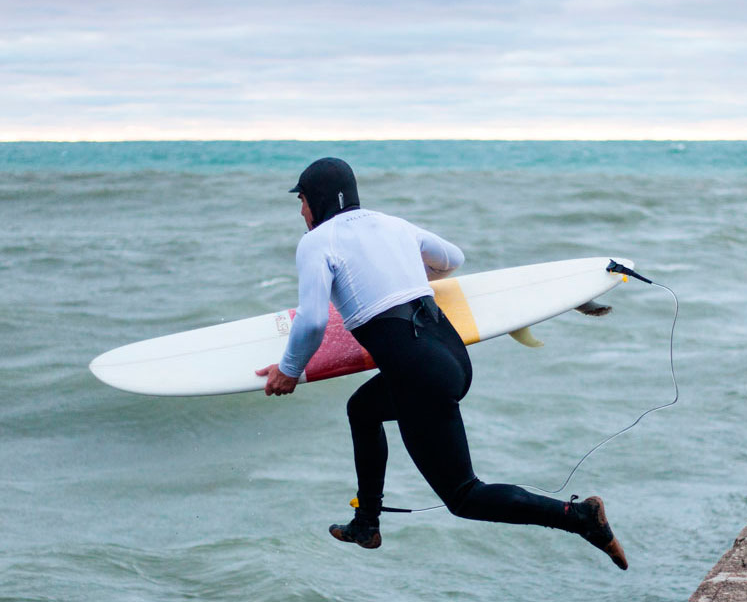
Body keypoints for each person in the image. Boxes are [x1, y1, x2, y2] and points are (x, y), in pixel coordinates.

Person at [255, 157, 627, 570]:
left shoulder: (316, 243)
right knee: (362, 410)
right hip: (451, 356)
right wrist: (406, 275)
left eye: (302, 200)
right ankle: (366, 523)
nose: (301, 212)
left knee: (464, 496)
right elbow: (452, 258)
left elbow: (312, 320)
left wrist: (289, 370)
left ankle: (581, 518)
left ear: (319, 199)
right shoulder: (394, 225)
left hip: (419, 374)